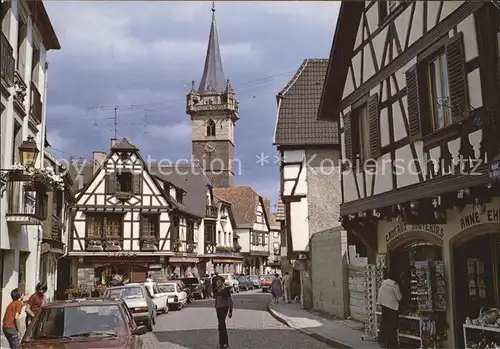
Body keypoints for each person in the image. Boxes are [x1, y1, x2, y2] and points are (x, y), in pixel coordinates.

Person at [377, 269, 403, 349]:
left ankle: (383, 341)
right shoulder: (394, 285)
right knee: (392, 327)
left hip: (384, 306)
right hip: (392, 308)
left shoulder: (384, 283)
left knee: (385, 324)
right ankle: (392, 344)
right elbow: (399, 297)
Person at [214, 277, 233, 348]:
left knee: (222, 324)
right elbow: (217, 299)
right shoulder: (217, 290)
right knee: (220, 325)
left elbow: (230, 301)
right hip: (218, 309)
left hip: (224, 309)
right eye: (216, 282)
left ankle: (225, 342)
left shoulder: (226, 290)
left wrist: (230, 311)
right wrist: (216, 305)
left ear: (222, 282)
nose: (217, 283)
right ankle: (221, 342)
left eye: (218, 282)